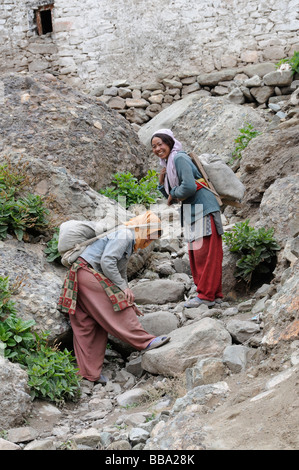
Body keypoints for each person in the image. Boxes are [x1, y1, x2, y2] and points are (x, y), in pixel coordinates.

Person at [58, 210, 170, 384]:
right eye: (149, 235)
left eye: (152, 239)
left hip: (79, 276)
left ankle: (88, 374)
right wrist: (123, 291)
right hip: (88, 274)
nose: (149, 241)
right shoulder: (124, 234)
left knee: (89, 324)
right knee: (117, 308)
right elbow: (107, 262)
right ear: (142, 227)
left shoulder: (129, 241)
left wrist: (127, 294)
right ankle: (145, 341)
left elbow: (120, 271)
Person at [151, 128, 223, 308]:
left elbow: (189, 187)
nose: (158, 148)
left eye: (160, 144)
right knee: (198, 253)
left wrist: (172, 193)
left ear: (170, 143)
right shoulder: (169, 165)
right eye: (154, 146)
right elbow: (170, 196)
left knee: (205, 253)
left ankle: (207, 296)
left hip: (203, 208)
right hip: (193, 211)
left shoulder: (179, 158)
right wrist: (162, 183)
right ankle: (213, 294)